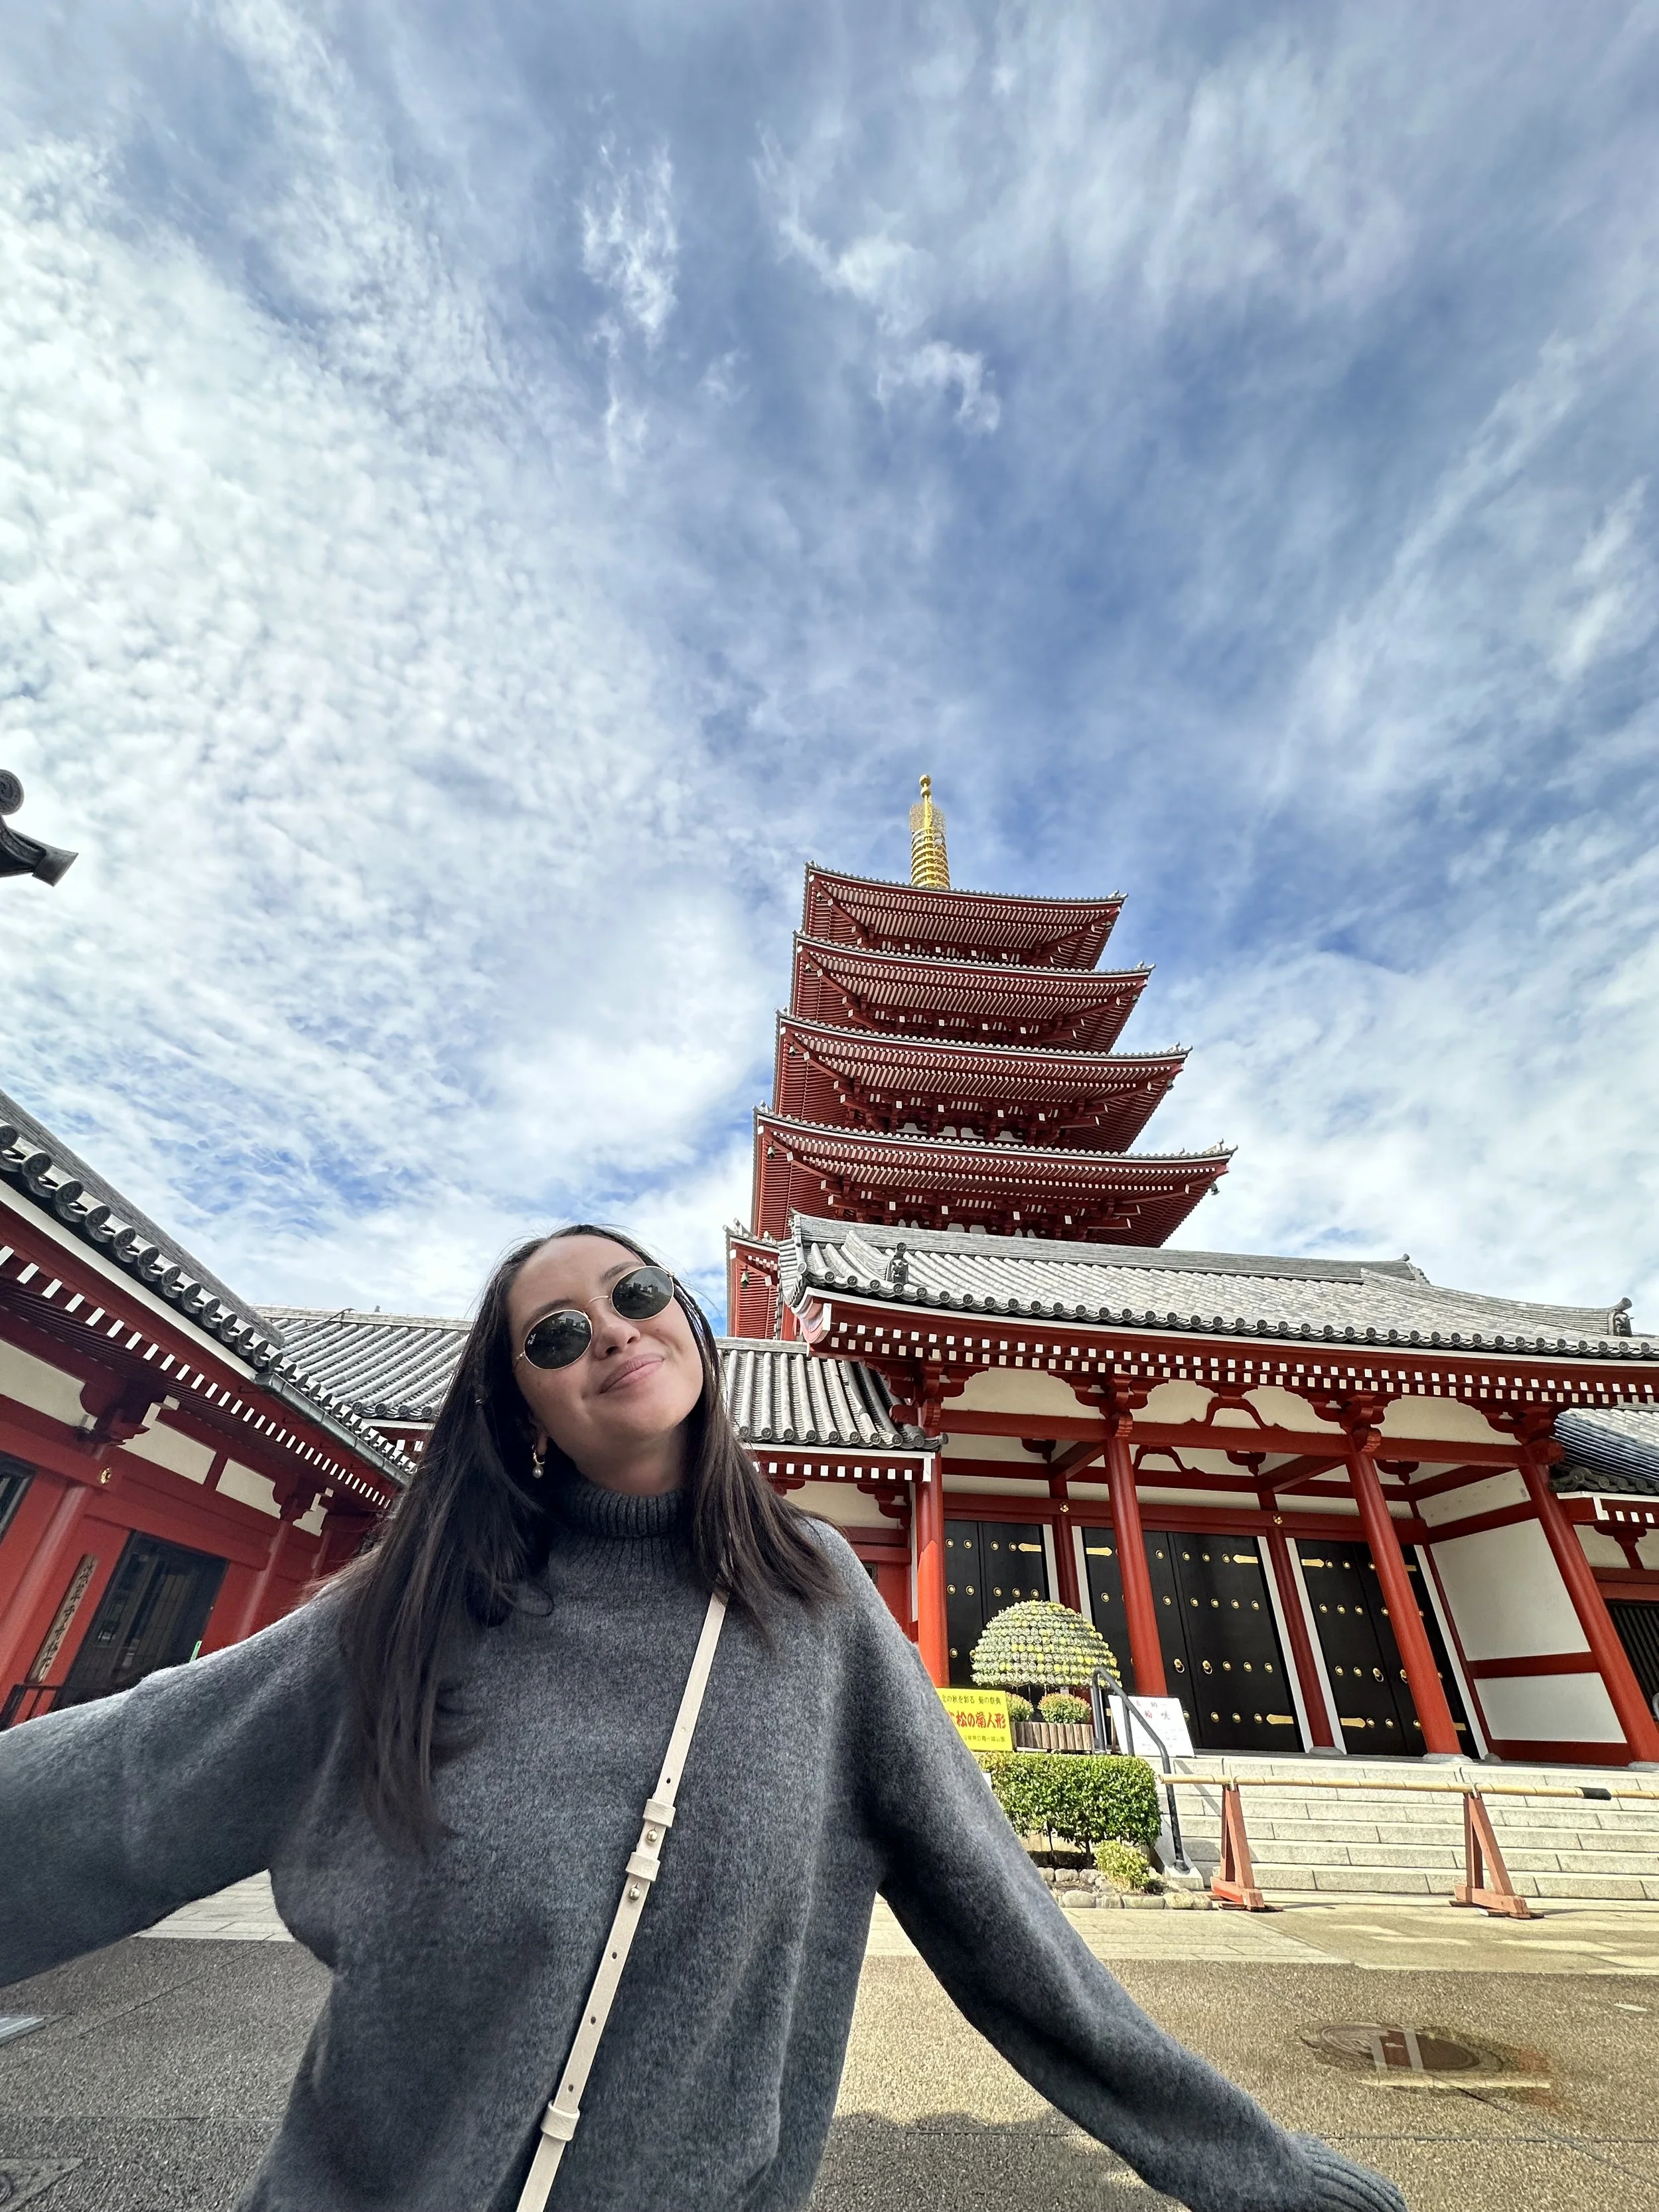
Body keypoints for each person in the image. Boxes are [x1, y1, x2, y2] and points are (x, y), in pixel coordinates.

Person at [0, 1225, 1407, 2212]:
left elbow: (1004, 1923)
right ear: (524, 1408)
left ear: (687, 1317)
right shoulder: (410, 1613)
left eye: (635, 1290)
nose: (612, 1328)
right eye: (558, 1333)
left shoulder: (812, 1599)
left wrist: (1249, 2165)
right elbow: (121, 1780)